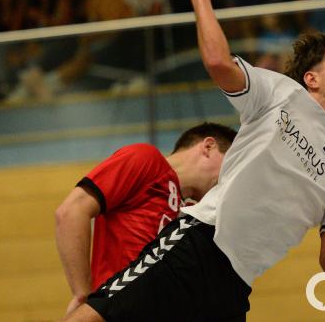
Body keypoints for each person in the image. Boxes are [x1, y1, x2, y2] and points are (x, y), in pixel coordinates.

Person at [62, 0, 325, 321]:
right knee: (95, 317)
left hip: (236, 283)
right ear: (312, 78)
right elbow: (220, 64)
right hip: (198, 241)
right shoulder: (280, 93)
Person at [55, 123, 237, 315]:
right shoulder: (147, 160)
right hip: (117, 310)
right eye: (232, 166)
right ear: (208, 147)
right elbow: (71, 211)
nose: (231, 180)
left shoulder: (194, 214)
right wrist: (82, 296)